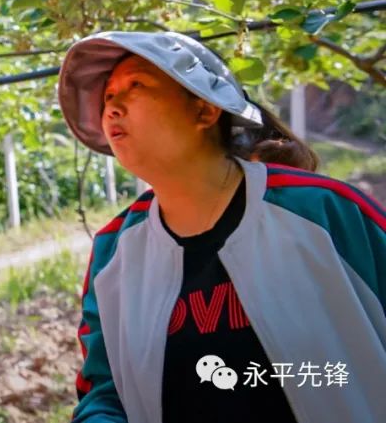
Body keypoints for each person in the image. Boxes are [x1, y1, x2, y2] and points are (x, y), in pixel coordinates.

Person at [56, 30, 386, 423]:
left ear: (204, 110)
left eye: (136, 85)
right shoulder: (114, 252)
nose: (112, 107)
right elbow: (105, 390)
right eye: (108, 96)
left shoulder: (323, 212)